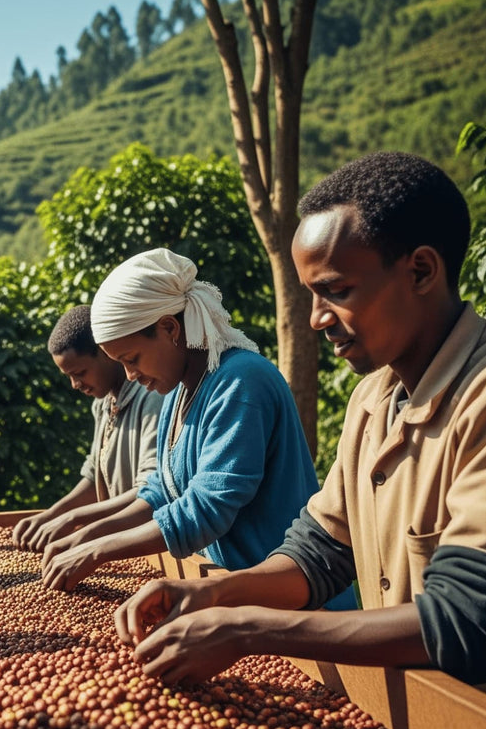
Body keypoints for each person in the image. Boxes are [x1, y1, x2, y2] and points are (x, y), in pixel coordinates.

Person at [119, 153, 486, 711]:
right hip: (408, 718)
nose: (316, 317)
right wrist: (212, 593)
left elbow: (472, 616)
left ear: (421, 271)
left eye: (335, 291)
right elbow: (320, 552)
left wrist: (247, 630)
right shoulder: (372, 398)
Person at [39, 249, 355, 613]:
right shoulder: (180, 392)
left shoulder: (241, 383)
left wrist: (98, 549)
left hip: (296, 608)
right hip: (239, 601)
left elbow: (207, 507)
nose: (130, 376)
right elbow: (163, 488)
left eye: (132, 359)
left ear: (170, 329)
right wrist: (88, 534)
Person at [13, 305, 162, 553]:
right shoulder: (102, 404)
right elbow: (95, 475)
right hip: (117, 541)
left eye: (80, 373)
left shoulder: (152, 397)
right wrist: (52, 515)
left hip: (149, 544)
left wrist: (74, 520)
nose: (75, 384)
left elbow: (151, 491)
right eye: (68, 376)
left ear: (107, 353)